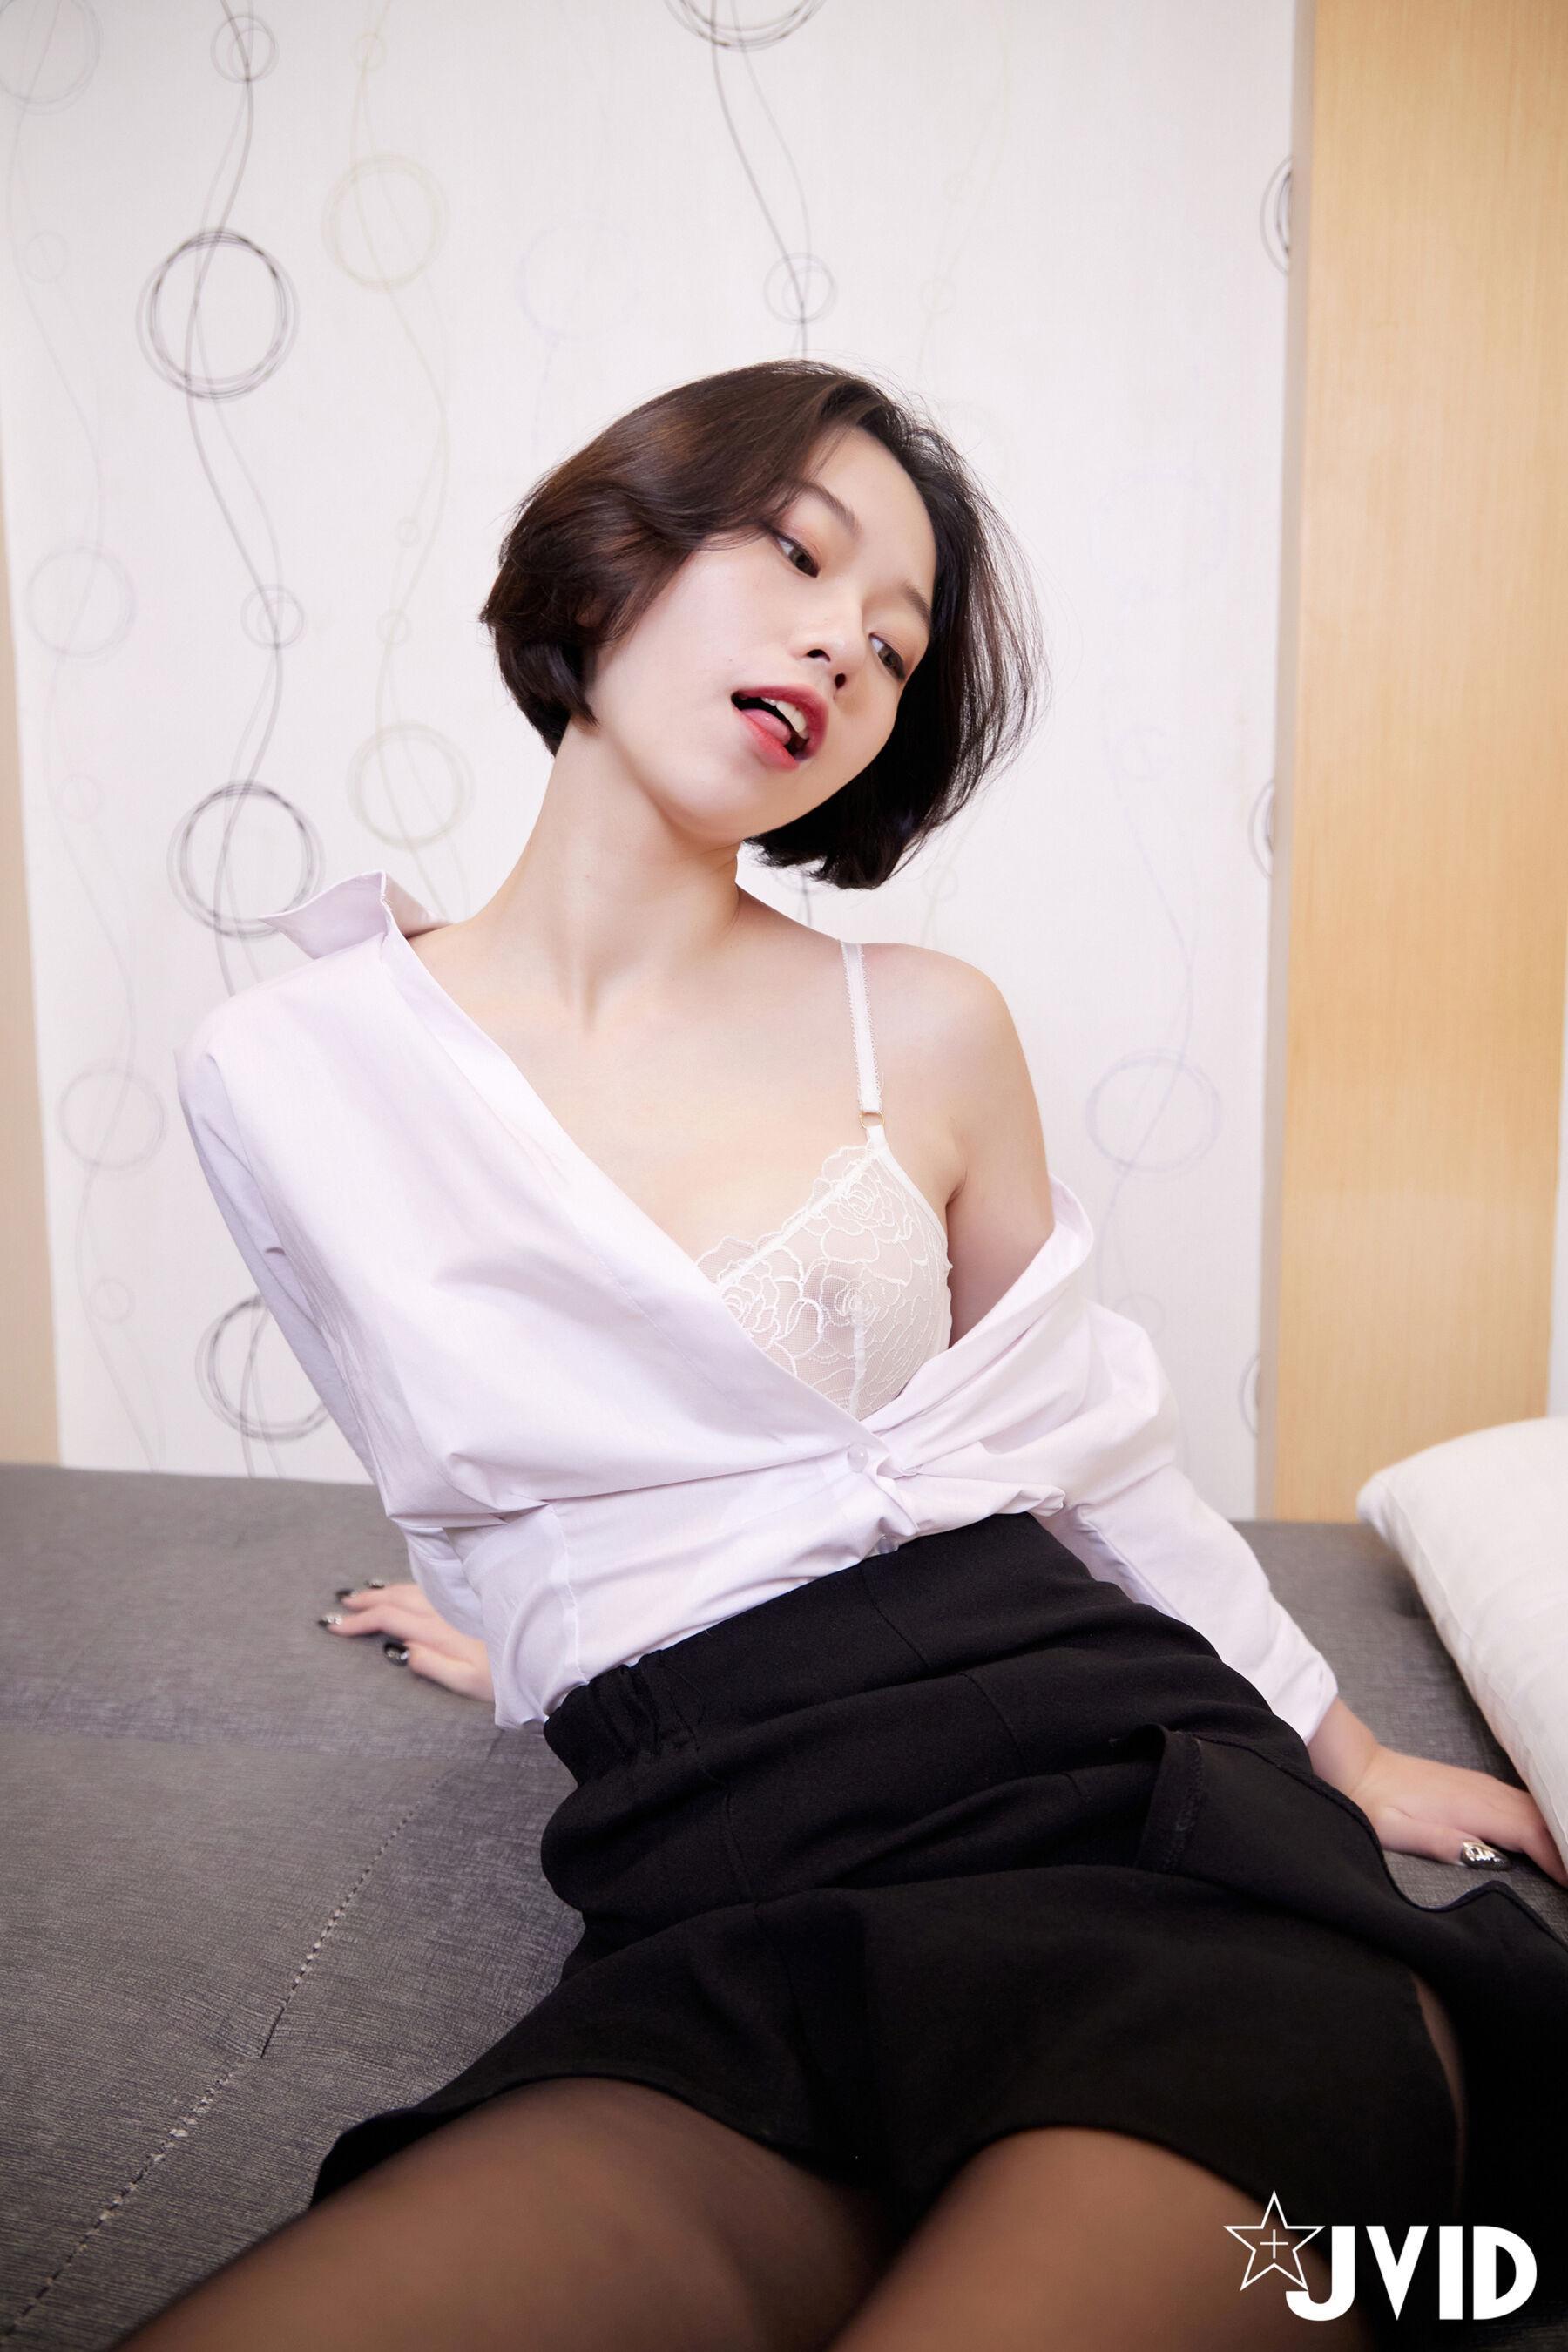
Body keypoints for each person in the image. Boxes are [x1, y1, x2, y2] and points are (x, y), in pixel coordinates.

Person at [128, 360, 1568, 2352]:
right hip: (724, 1865)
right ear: (610, 556)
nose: (841, 647)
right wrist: (536, 1635)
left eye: (893, 648)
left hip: (1130, 1815)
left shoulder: (931, 1027)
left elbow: (1091, 1455)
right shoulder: (285, 1073)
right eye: (798, 557)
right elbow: (441, 1454)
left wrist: (1351, 1752)